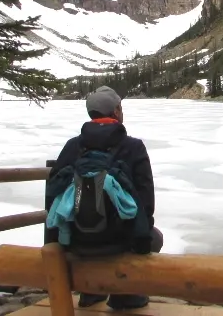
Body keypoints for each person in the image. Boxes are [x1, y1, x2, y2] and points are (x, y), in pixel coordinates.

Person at [44, 86, 163, 310]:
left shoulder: (73, 146)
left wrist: (57, 238)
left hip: (76, 241)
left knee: (89, 239)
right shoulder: (133, 147)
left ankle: (90, 293)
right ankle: (125, 295)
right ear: (117, 111)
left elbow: (53, 193)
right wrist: (142, 235)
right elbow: (146, 202)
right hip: (119, 241)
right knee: (155, 237)